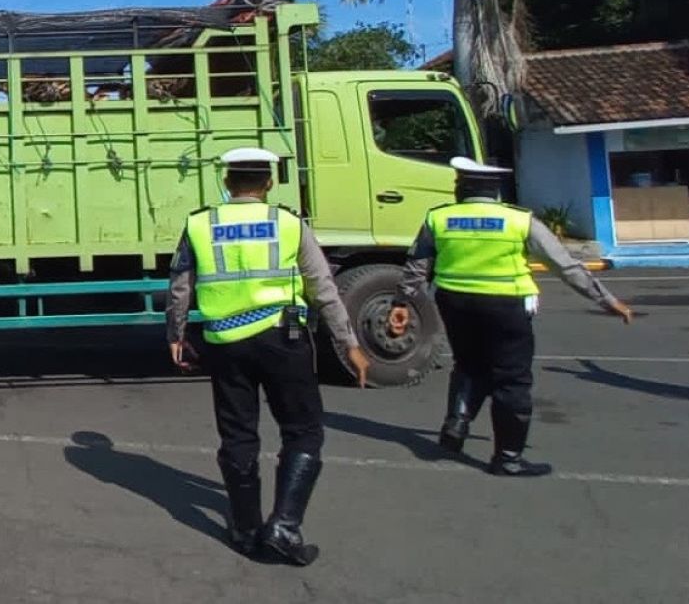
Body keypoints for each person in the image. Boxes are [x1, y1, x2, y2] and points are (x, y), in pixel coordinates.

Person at [165, 147, 371, 565]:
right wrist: (348, 343)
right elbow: (323, 288)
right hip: (284, 337)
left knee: (238, 434)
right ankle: (284, 526)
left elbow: (179, 285)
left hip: (224, 342)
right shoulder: (288, 223)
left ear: (227, 182)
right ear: (269, 183)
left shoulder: (201, 224)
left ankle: (244, 529)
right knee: (302, 430)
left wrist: (176, 333)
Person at [390, 156, 634, 477]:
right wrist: (606, 300)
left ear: (460, 188)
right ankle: (507, 457)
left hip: (454, 304)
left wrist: (402, 304)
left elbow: (417, 267)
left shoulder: (439, 218)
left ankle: (456, 424)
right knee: (512, 378)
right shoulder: (519, 220)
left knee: (468, 365)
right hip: (506, 306)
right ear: (496, 192)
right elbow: (564, 265)